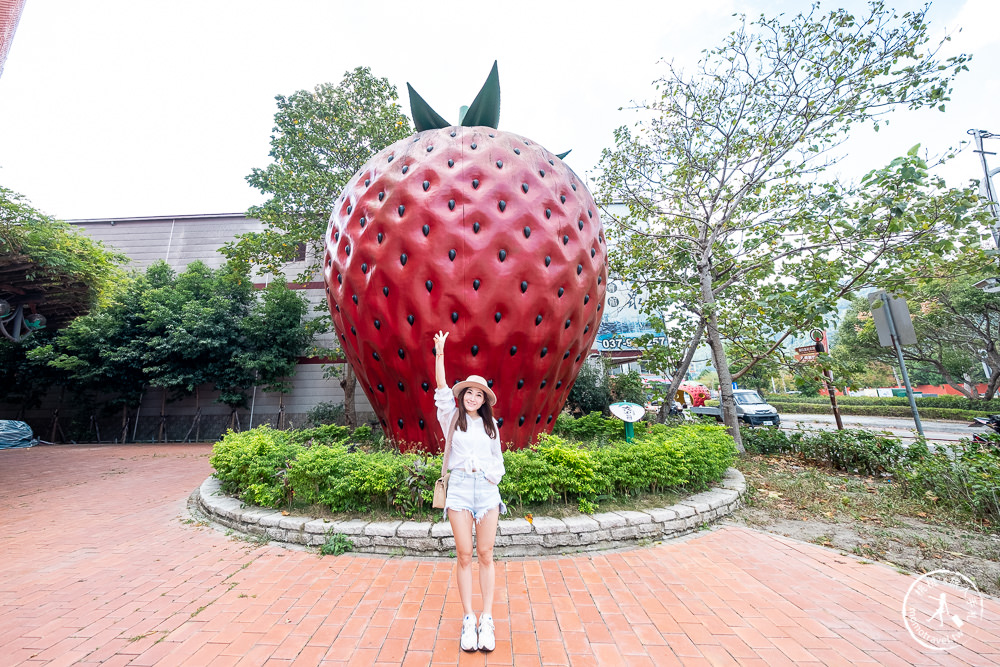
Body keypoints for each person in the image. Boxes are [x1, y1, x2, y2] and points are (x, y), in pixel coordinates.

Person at [433, 330, 506, 652]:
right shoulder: (451, 418)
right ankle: (468, 619)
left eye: (478, 394)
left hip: (487, 491)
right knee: (464, 555)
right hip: (460, 489)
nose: (472, 398)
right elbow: (440, 390)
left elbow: (498, 460)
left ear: (484, 400)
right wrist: (439, 353)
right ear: (462, 396)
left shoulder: (490, 426)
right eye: (468, 393)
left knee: (486, 555)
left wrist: (491, 478)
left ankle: (487, 618)